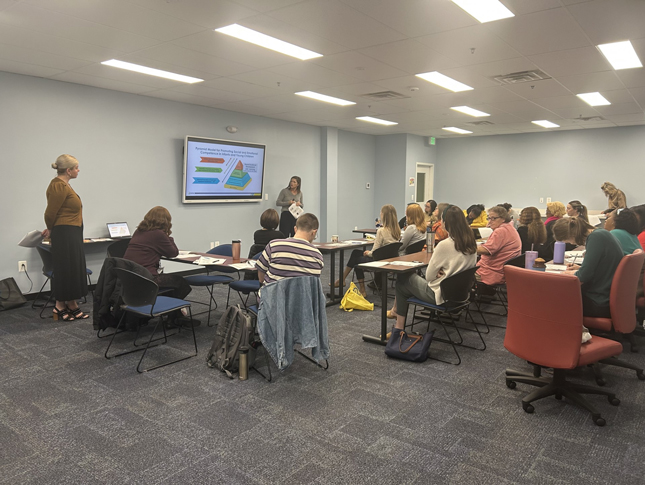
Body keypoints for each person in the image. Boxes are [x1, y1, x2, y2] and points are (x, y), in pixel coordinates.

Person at [389, 205, 477, 330]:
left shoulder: (445, 245)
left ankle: (398, 326)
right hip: (460, 295)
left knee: (403, 279)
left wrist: (440, 272)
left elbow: (429, 277)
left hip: (441, 296)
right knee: (404, 284)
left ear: (446, 223)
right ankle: (396, 318)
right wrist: (444, 271)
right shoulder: (471, 242)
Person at [42, 154, 89, 321]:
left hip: (72, 232)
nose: (78, 170)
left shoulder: (65, 185)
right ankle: (59, 305)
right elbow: (50, 212)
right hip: (64, 233)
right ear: (68, 171)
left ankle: (72, 303)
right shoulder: (58, 186)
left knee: (73, 268)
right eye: (76, 168)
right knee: (65, 268)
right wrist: (50, 229)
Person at [553, 217, 623, 318]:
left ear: (572, 235)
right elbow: (601, 266)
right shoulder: (602, 233)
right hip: (607, 295)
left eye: (568, 241)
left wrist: (570, 273)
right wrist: (580, 268)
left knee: (553, 300)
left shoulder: (595, 238)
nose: (572, 244)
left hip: (598, 300)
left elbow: (583, 277)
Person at [124, 206, 192, 303]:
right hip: (147, 277)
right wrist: (168, 236)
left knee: (173, 283)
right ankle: (172, 313)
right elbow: (173, 253)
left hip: (129, 276)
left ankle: (171, 311)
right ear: (165, 221)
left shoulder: (138, 231)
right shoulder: (158, 234)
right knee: (181, 283)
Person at [335, 205, 400, 296]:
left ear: (384, 215)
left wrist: (368, 253)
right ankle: (342, 280)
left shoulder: (381, 231)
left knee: (357, 261)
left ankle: (361, 289)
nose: (380, 214)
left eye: (381, 212)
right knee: (355, 252)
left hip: (378, 261)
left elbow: (374, 252)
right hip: (389, 260)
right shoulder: (397, 230)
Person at [256, 213, 324, 285]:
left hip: (273, 295)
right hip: (301, 296)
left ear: (295, 229)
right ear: (314, 232)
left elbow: (261, 278)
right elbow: (312, 286)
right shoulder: (317, 256)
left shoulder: (273, 245)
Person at [476, 205, 521, 292]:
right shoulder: (510, 228)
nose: (490, 221)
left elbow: (486, 250)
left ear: (503, 219)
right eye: (489, 218)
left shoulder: (500, 231)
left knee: (460, 275)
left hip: (492, 273)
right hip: (503, 271)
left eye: (494, 218)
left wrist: (466, 247)